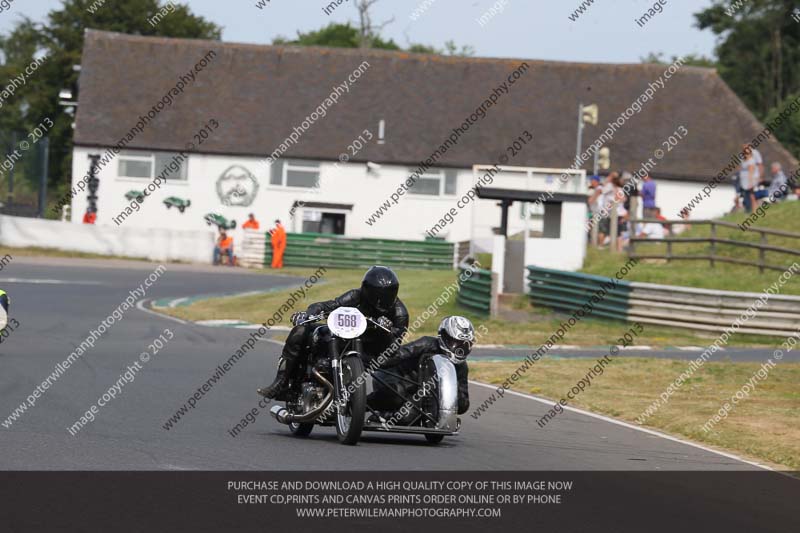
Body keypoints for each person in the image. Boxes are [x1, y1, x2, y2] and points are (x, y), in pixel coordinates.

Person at [258, 266, 410, 400]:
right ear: (367, 290)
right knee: (301, 330)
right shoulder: (356, 296)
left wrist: (385, 332)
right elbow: (330, 305)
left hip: (370, 353)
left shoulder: (400, 314)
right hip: (345, 339)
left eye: (387, 295)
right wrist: (309, 314)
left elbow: (393, 349)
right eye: (377, 294)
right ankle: (281, 382)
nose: (381, 300)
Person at [367, 316, 474, 421]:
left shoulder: (461, 366)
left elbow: (463, 404)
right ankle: (364, 404)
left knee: (409, 415)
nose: (458, 349)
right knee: (398, 399)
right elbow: (399, 355)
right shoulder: (426, 343)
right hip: (395, 378)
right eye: (454, 342)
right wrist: (373, 362)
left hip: (422, 396)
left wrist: (455, 397)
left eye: (464, 345)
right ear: (444, 337)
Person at [739, 146, 759, 213]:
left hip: (750, 181)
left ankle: (754, 211)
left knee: (752, 196)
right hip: (744, 181)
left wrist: (750, 183)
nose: (745, 154)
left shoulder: (751, 161)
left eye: (747, 153)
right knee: (746, 197)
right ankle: (747, 210)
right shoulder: (743, 161)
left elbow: (751, 173)